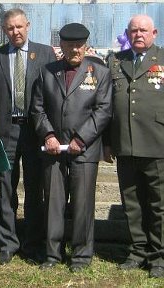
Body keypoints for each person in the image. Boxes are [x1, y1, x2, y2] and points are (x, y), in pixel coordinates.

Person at [31, 23, 112, 271]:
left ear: (85, 46)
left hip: (84, 149)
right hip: (54, 148)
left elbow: (104, 109)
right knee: (53, 202)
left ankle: (81, 255)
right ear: (62, 46)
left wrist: (81, 138)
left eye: (78, 45)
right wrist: (48, 135)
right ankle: (53, 254)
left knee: (82, 203)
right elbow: (37, 108)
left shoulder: (100, 71)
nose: (74, 49)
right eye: (69, 45)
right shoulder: (47, 71)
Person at [0, 8, 56, 265]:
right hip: (6, 132)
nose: (15, 32)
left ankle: (33, 242)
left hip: (35, 131)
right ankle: (7, 243)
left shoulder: (46, 53)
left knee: (35, 188)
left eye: (19, 27)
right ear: (4, 30)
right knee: (5, 188)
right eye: (10, 28)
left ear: (28, 26)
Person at [105, 14, 164, 278]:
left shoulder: (162, 59)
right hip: (125, 144)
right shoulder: (116, 61)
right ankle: (138, 250)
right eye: (133, 30)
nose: (138, 34)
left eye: (143, 30)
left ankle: (159, 256)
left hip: (157, 144)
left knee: (158, 204)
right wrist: (108, 142)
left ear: (155, 33)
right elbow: (107, 105)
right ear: (127, 34)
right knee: (132, 202)